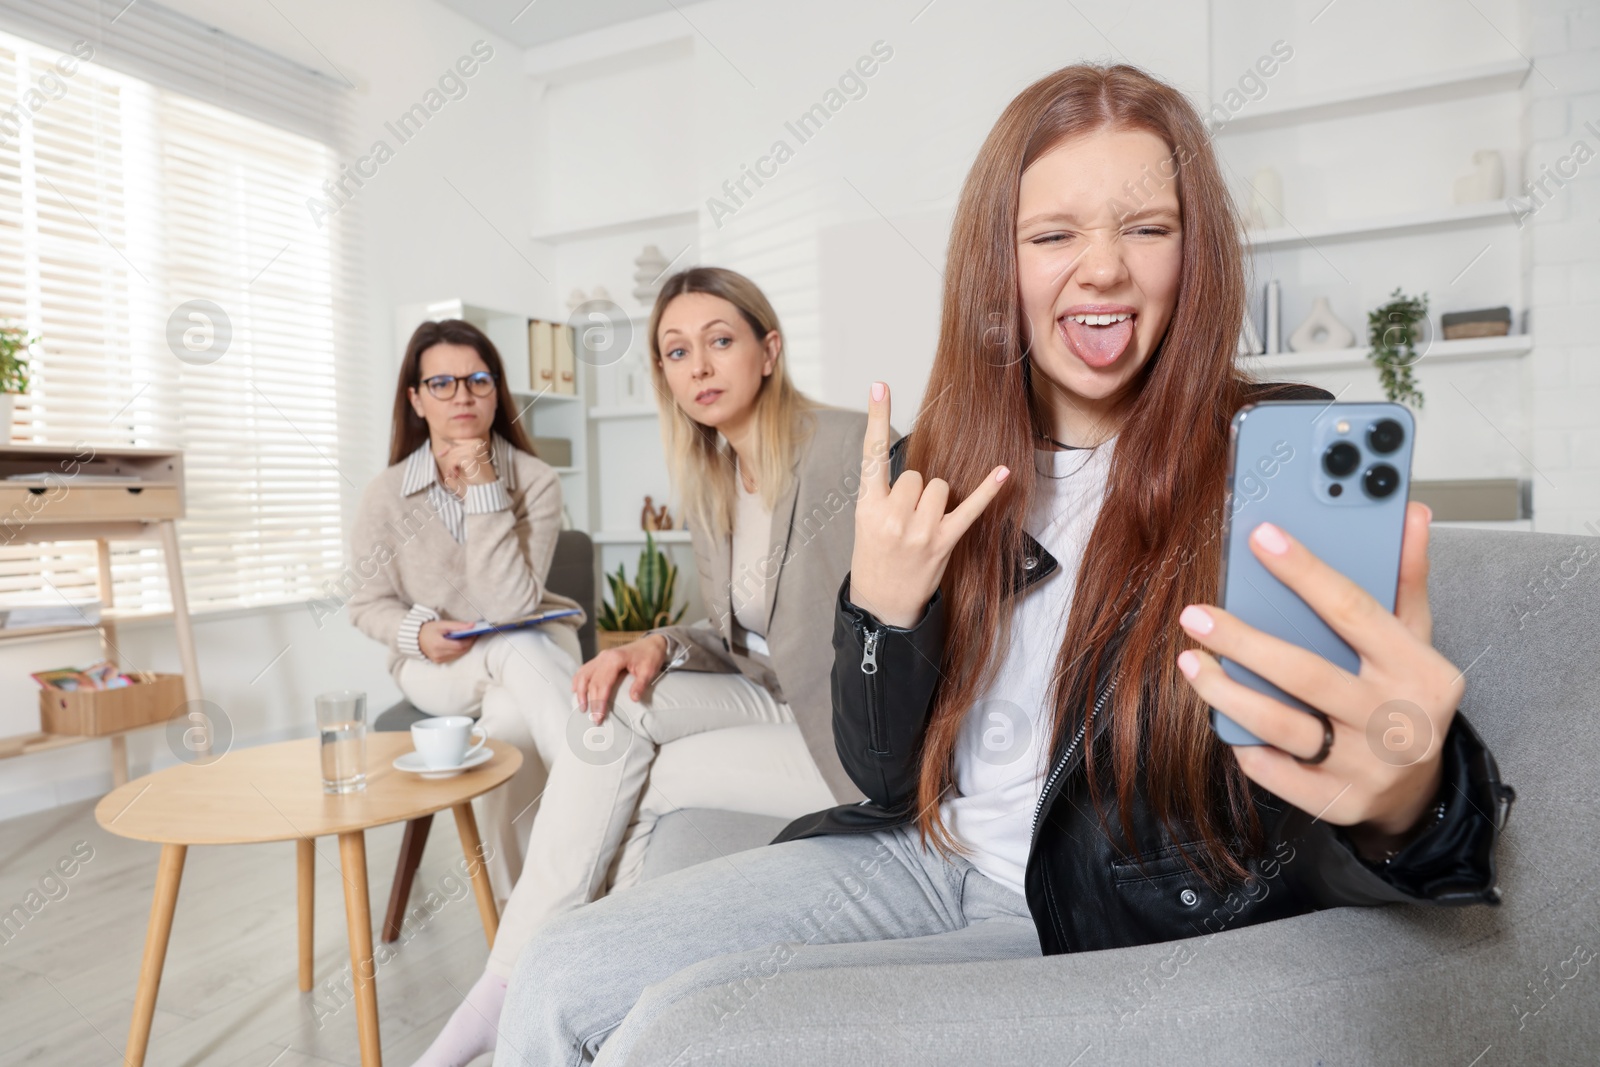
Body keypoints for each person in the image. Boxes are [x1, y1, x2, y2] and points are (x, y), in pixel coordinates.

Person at [491, 63, 1514, 1065]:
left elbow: (1354, 800)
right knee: (557, 968)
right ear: (1000, 263)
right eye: (1054, 233)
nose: (1103, 266)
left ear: (1192, 256)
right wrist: (882, 615)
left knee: (677, 1029)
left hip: (1082, 906)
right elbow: (878, 769)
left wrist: (1411, 791)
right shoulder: (933, 465)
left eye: (1147, 227)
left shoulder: (1271, 451)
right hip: (915, 852)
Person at [407, 269, 886, 1066]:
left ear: (768, 350)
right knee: (615, 711)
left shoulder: (845, 447)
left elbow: (916, 609)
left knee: (640, 774)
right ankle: (550, 990)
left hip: (852, 735)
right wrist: (656, 643)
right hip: (769, 695)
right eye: (675, 350)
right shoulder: (715, 476)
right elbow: (738, 633)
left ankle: (516, 994)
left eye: (719, 341)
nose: (697, 365)